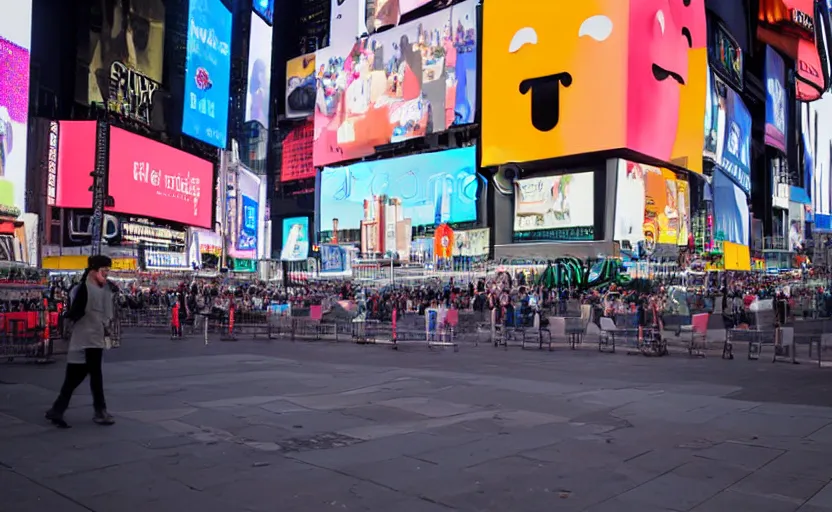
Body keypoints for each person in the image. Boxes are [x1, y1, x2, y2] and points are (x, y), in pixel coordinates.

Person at [45, 255, 115, 428]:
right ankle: (100, 411)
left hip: (89, 338)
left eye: (107, 271)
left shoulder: (100, 289)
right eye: (104, 271)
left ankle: (57, 409)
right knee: (95, 377)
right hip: (88, 339)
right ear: (93, 271)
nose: (106, 274)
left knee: (74, 377)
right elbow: (76, 310)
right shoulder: (82, 289)